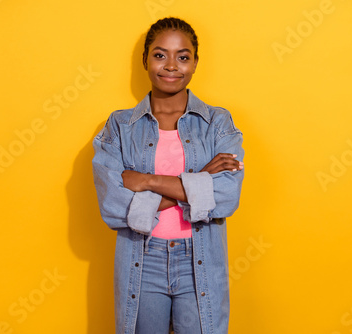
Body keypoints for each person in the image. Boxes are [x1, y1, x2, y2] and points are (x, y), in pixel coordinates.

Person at [92, 17, 244, 334]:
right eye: (160, 55)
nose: (171, 66)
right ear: (145, 59)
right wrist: (200, 181)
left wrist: (145, 181)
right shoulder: (119, 127)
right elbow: (113, 205)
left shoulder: (218, 123)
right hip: (142, 259)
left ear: (195, 62)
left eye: (183, 56)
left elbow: (226, 198)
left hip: (199, 259)